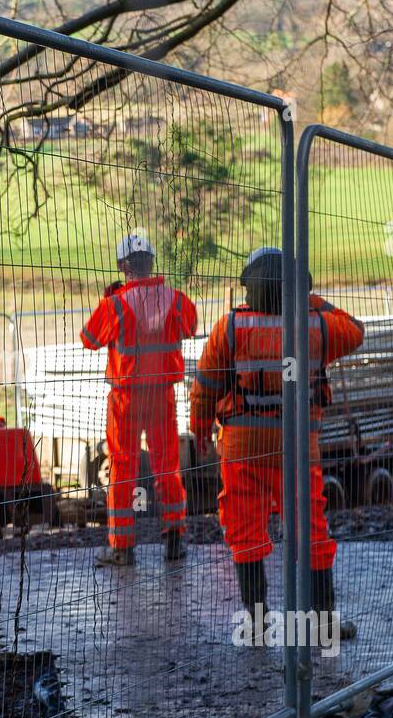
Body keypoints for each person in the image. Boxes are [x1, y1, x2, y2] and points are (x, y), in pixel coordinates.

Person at [189, 247, 365, 640]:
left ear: (249, 288)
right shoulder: (316, 326)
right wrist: (310, 299)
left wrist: (200, 428)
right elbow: (356, 329)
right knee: (311, 532)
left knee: (246, 533)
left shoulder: (229, 328)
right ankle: (322, 623)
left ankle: (255, 622)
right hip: (298, 453)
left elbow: (205, 386)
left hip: (242, 452)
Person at [80, 232, 197, 566]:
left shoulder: (115, 304)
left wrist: (109, 299)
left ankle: (122, 547)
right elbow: (190, 325)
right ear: (151, 263)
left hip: (126, 397)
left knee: (123, 468)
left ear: (122, 266)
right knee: (167, 468)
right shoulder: (174, 299)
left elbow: (88, 338)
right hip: (161, 395)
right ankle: (174, 539)